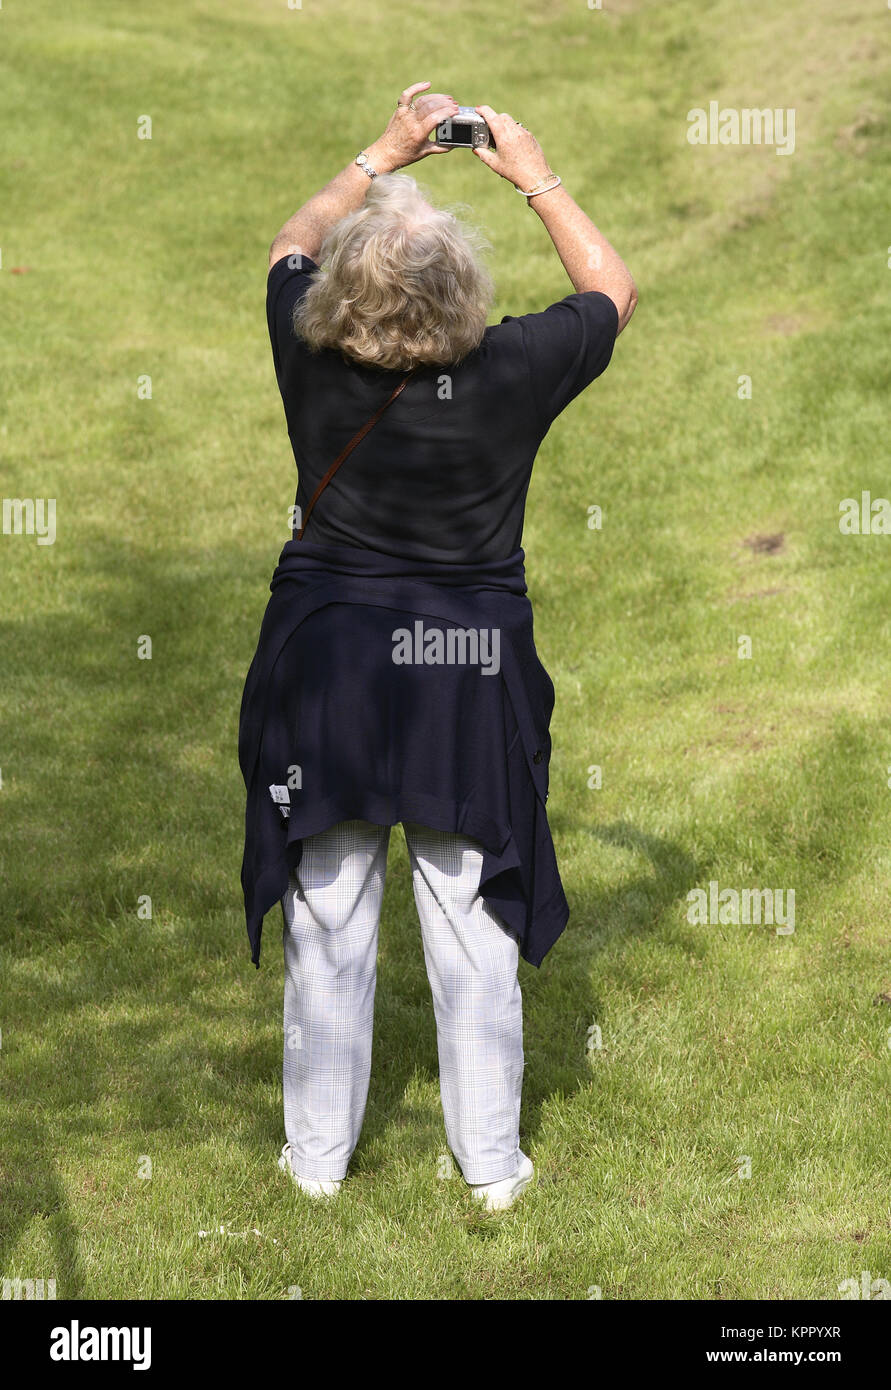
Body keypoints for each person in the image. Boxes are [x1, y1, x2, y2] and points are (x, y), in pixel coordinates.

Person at [238, 81, 637, 1213]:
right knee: (469, 918)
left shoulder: (303, 352)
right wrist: (532, 172)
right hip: (462, 678)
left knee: (329, 910)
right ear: (464, 291)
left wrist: (387, 147)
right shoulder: (512, 370)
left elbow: (290, 237)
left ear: (337, 295)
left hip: (329, 674)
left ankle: (315, 1165)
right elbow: (611, 286)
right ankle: (493, 1170)